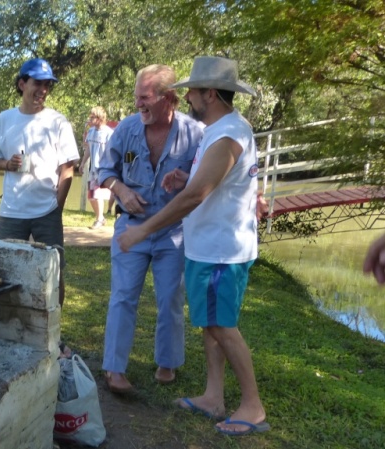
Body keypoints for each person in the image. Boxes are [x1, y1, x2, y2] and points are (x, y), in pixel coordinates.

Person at [117, 56, 269, 436]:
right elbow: (209, 181)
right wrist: (186, 175)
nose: (189, 100)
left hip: (221, 251)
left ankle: (252, 406)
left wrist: (141, 231)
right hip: (207, 247)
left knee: (222, 327)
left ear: (211, 94)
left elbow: (195, 197)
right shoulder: (220, 129)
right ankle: (213, 396)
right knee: (209, 325)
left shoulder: (227, 134)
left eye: (194, 93)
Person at [96, 65, 204, 394]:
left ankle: (167, 362)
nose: (138, 105)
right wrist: (122, 191)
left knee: (170, 297)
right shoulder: (126, 130)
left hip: (173, 232)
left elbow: (205, 180)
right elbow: (105, 171)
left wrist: (186, 180)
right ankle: (114, 370)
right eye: (136, 97)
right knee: (123, 296)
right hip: (131, 227)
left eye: (145, 97)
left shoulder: (195, 133)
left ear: (168, 98)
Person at [0, 58, 80, 308]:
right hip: (11, 211)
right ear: (22, 83)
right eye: (37, 83)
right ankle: (7, 327)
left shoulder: (57, 122)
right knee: (3, 271)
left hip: (46, 211)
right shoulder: (4, 120)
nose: (43, 90)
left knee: (54, 275)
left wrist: (56, 208)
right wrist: (7, 164)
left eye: (48, 85)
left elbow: (68, 168)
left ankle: (53, 334)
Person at [79, 106, 115, 229]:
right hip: (93, 169)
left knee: (97, 194)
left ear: (100, 118)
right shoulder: (91, 132)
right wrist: (83, 162)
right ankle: (101, 217)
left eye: (93, 117)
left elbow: (113, 151)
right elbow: (88, 148)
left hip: (104, 168)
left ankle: (99, 219)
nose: (90, 119)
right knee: (91, 196)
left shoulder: (109, 133)